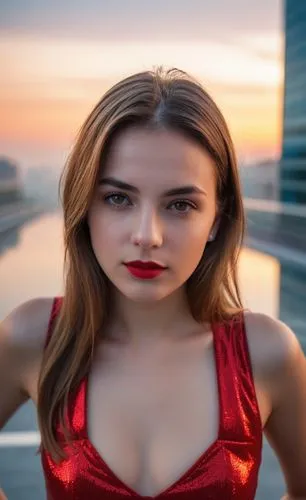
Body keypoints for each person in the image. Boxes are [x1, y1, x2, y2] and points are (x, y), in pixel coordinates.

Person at [0, 67, 305, 500]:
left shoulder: (267, 354)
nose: (148, 235)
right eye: (118, 198)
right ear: (85, 206)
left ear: (216, 219)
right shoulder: (33, 337)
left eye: (180, 204)